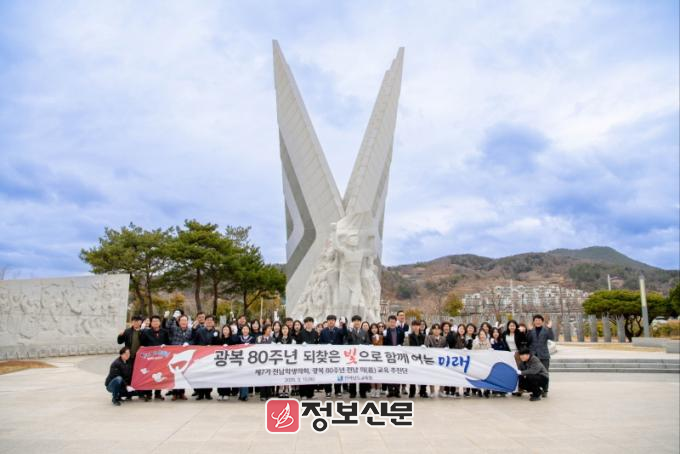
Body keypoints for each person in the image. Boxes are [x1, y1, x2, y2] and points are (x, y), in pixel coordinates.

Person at [140, 315, 169, 401]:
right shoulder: (146, 332)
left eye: (157, 321)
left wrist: (165, 345)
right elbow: (142, 344)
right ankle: (148, 394)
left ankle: (158, 394)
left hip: (161, 358)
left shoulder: (165, 332)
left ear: (160, 322)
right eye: (153, 321)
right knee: (149, 375)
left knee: (160, 375)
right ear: (151, 323)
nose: (155, 323)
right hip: (150, 358)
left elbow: (168, 343)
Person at [192, 315, 220, 400]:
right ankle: (200, 393)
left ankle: (208, 393)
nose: (209, 321)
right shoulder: (199, 331)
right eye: (207, 320)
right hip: (201, 356)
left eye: (211, 320)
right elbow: (194, 342)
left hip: (211, 357)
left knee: (209, 375)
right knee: (200, 375)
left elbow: (218, 344)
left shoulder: (216, 332)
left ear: (213, 322)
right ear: (205, 321)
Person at [319, 315, 346, 398]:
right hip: (327, 356)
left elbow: (345, 333)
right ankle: (328, 391)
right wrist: (327, 345)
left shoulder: (339, 330)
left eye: (333, 320)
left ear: (335, 321)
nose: (331, 321)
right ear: (327, 321)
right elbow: (320, 342)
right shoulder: (323, 331)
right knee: (327, 373)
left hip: (337, 356)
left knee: (338, 373)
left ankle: (338, 391)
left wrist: (343, 325)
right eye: (329, 320)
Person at [527, 314, 554, 396]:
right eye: (536, 320)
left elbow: (552, 338)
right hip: (533, 356)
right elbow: (527, 340)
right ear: (533, 322)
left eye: (539, 320)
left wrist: (550, 328)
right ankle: (537, 390)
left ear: (542, 322)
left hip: (544, 355)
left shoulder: (546, 330)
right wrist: (529, 331)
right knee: (533, 373)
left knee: (545, 373)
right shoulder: (531, 330)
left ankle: (545, 390)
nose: (538, 322)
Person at [167, 314, 193, 401]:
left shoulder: (190, 331)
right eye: (182, 320)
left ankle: (182, 393)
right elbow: (167, 326)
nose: (183, 322)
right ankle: (174, 393)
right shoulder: (175, 329)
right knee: (174, 374)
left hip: (184, 355)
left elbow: (193, 339)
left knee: (183, 373)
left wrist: (189, 343)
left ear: (187, 322)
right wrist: (173, 318)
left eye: (185, 320)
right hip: (175, 354)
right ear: (179, 322)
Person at [345, 315, 370, 398]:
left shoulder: (364, 332)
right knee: (352, 374)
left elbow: (368, 342)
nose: (357, 322)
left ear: (360, 322)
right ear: (352, 322)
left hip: (362, 357)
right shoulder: (349, 331)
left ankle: (363, 392)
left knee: (362, 374)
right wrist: (350, 331)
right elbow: (347, 341)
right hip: (352, 356)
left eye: (358, 321)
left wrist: (363, 346)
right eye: (355, 321)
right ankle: (352, 392)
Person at [384, 315, 405, 397]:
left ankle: (397, 391)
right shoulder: (386, 332)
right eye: (391, 322)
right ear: (388, 322)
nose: (392, 323)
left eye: (393, 322)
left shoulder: (400, 331)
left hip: (398, 355)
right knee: (389, 373)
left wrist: (400, 345)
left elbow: (402, 340)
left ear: (396, 322)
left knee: (397, 373)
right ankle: (390, 391)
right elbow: (384, 344)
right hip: (389, 355)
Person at [406, 320, 428, 398]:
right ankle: (412, 391)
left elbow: (427, 346)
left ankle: (423, 391)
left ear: (419, 326)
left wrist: (425, 347)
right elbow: (407, 345)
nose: (415, 327)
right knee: (412, 375)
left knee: (423, 375)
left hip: (422, 358)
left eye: (417, 325)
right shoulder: (409, 336)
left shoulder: (424, 336)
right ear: (412, 327)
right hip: (412, 358)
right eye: (414, 325)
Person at [299, 316, 319, 400]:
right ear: (305, 324)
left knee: (311, 376)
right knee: (303, 376)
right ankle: (303, 394)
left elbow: (317, 343)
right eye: (307, 322)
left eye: (310, 322)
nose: (309, 323)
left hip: (312, 358)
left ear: (312, 323)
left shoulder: (315, 333)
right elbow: (298, 344)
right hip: (303, 358)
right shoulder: (301, 333)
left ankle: (311, 394)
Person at [425, 323, 447, 397]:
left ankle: (441, 391)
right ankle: (432, 391)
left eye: (438, 329)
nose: (436, 330)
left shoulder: (443, 338)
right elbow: (426, 346)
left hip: (441, 360)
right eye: (435, 329)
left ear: (440, 330)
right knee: (431, 375)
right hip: (432, 359)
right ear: (432, 330)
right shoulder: (428, 337)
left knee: (443, 375)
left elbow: (446, 347)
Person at [235, 325, 255, 401]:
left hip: (248, 360)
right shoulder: (238, 338)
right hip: (240, 360)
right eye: (244, 329)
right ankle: (240, 394)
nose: (245, 330)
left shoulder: (252, 338)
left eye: (246, 329)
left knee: (246, 378)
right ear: (242, 330)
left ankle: (245, 395)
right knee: (240, 377)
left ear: (249, 330)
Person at [472, 329, 492, 398]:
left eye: (483, 334)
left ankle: (486, 390)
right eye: (480, 334)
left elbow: (489, 349)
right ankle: (479, 390)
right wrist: (478, 341)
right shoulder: (475, 341)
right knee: (478, 376)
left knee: (486, 376)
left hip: (486, 362)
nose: (482, 336)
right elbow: (473, 350)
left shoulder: (488, 341)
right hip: (477, 361)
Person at [257, 324, 275, 401]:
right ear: (264, 329)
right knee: (262, 378)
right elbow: (257, 347)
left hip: (270, 360)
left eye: (271, 329)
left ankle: (268, 394)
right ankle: (262, 395)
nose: (270, 330)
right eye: (268, 328)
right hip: (261, 360)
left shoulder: (273, 339)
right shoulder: (259, 338)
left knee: (269, 378)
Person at [217, 325, 234, 401]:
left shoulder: (232, 339)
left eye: (227, 329)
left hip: (229, 361)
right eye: (224, 329)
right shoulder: (219, 339)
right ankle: (220, 393)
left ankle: (227, 393)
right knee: (220, 377)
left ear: (229, 331)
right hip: (220, 361)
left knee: (227, 377)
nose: (225, 331)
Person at [368, 323, 384, 398]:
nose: (374, 329)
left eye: (375, 328)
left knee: (378, 374)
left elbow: (380, 346)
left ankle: (378, 390)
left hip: (378, 358)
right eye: (372, 328)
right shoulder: (369, 337)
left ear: (377, 329)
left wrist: (377, 339)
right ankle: (373, 389)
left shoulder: (380, 336)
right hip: (370, 358)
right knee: (372, 374)